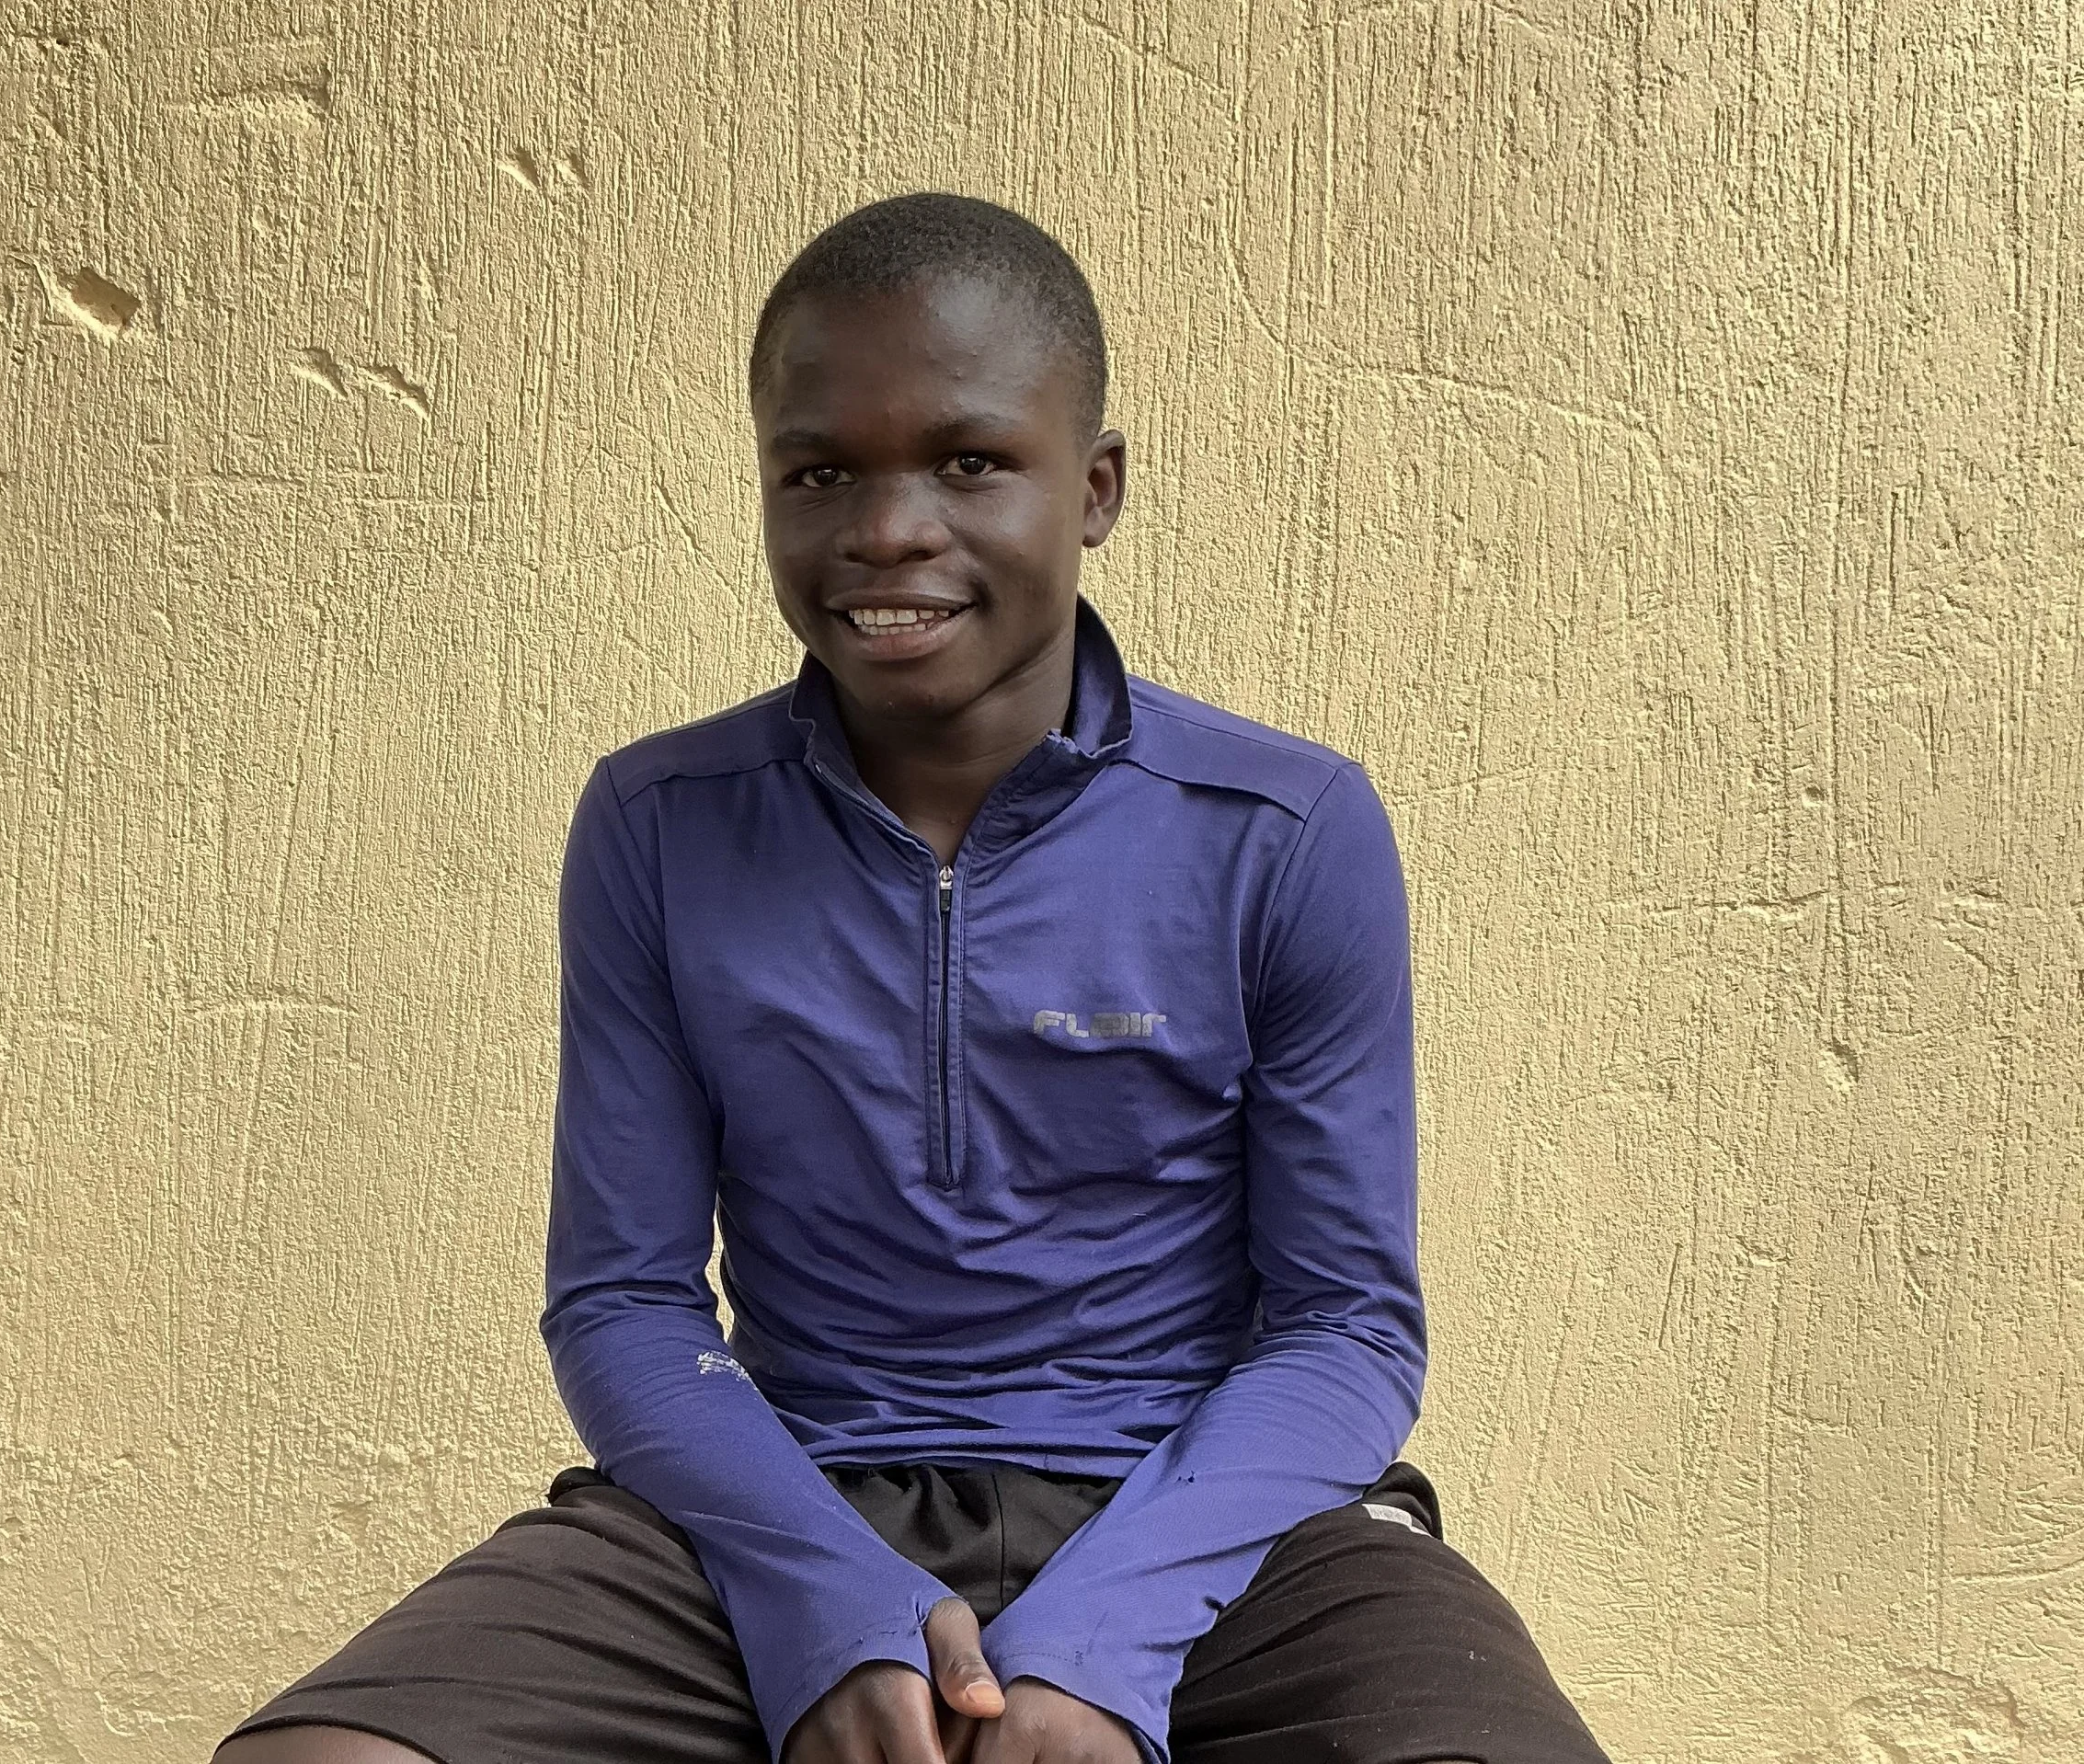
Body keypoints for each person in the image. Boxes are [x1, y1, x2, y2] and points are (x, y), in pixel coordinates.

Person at [218, 193, 1609, 1764]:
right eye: (821, 471)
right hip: (781, 1496)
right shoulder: (659, 824)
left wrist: (1104, 1638)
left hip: (1208, 1522)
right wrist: (822, 1598)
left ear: (1093, 490)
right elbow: (623, 1299)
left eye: (967, 460)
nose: (887, 529)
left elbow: (1347, 1325)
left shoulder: (1283, 832)